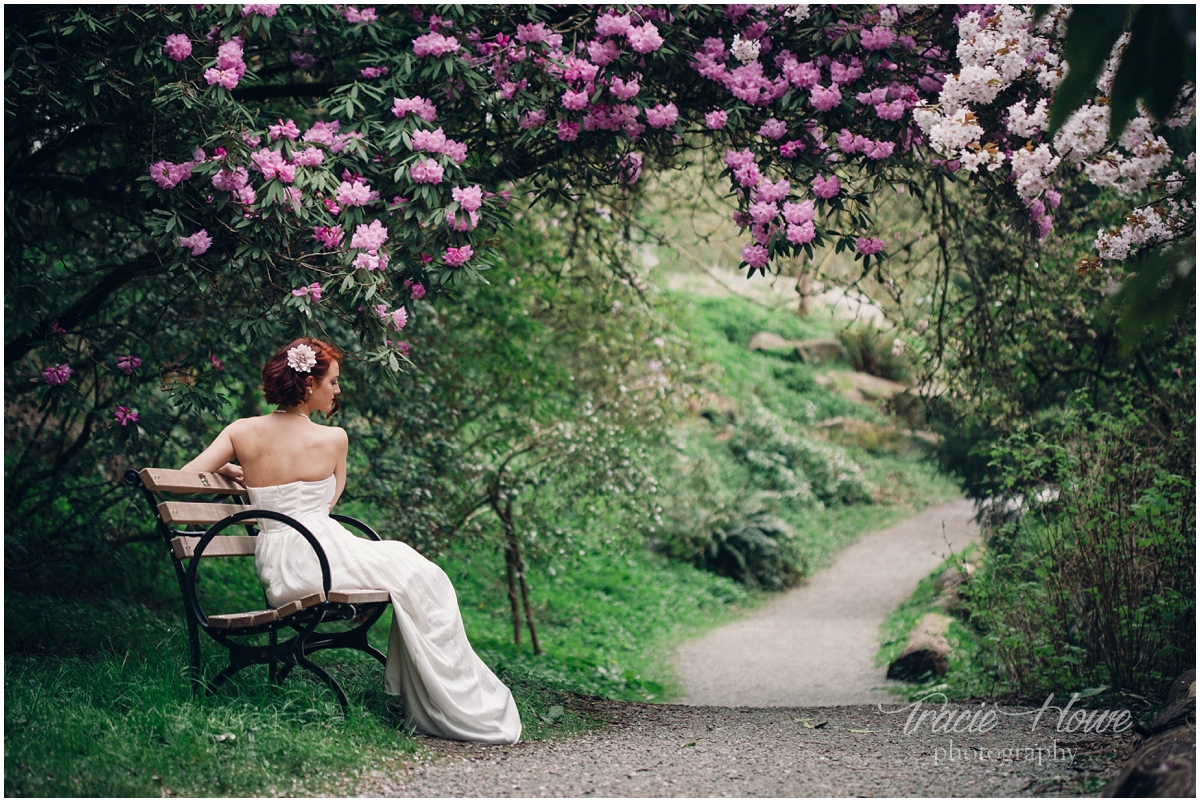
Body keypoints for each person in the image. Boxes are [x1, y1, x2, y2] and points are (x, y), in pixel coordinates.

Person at [182, 337, 521, 744]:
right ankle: (452, 701)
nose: (337, 391)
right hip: (319, 555)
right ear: (309, 385)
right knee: (426, 578)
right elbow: (328, 501)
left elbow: (187, 479)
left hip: (282, 566)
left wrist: (241, 472)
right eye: (334, 382)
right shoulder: (333, 439)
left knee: (415, 572)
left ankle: (436, 698)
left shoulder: (241, 431)